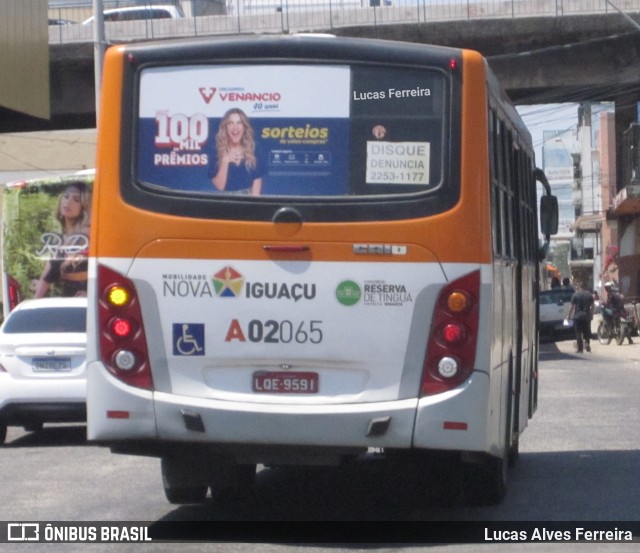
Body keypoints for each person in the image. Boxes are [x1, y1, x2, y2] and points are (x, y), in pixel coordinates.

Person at [34, 182, 91, 298]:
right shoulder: (60, 237)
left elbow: (106, 266)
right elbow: (47, 274)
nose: (68, 202)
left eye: (76, 199)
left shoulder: (86, 234)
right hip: (64, 296)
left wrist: (92, 294)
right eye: (66, 197)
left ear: (83, 206)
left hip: (82, 297)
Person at [209, 108, 264, 196]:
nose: (235, 128)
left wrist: (254, 206)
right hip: (225, 201)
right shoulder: (216, 150)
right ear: (225, 127)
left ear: (244, 127)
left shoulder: (254, 148)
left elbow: (257, 181)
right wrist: (225, 160)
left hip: (248, 200)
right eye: (231, 123)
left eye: (239, 123)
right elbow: (220, 186)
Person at [567, 280, 594, 353]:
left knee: (578, 332)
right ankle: (587, 343)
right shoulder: (589, 295)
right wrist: (591, 314)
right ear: (585, 286)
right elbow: (593, 306)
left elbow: (571, 306)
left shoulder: (575, 295)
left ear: (579, 286)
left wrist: (568, 316)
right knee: (587, 331)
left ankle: (580, 348)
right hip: (586, 316)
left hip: (577, 317)